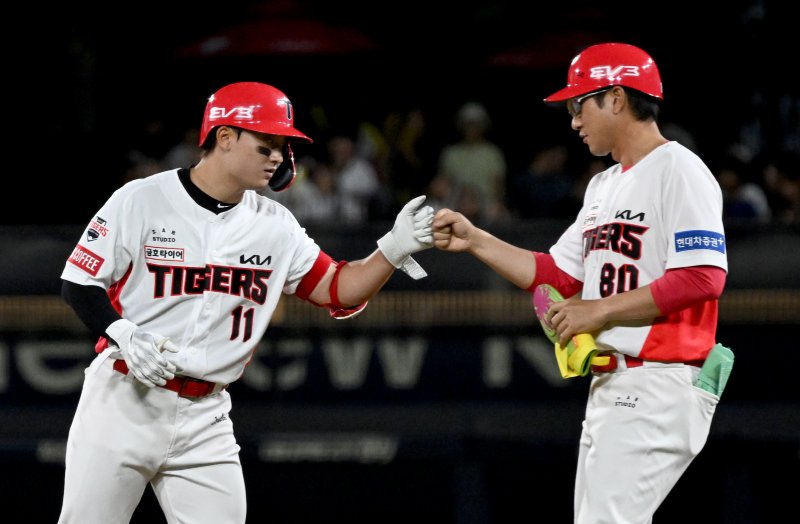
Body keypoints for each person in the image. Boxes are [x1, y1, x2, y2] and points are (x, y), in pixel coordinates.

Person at [57, 81, 434, 524]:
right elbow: (79, 282)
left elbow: (337, 288)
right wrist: (121, 331)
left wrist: (390, 249)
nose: (278, 157)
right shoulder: (141, 199)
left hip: (207, 415)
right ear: (225, 136)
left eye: (283, 146)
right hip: (123, 401)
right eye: (267, 143)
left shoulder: (276, 225)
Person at [432, 43, 729, 523]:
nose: (572, 119)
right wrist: (477, 240)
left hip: (657, 377)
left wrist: (599, 311)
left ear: (616, 97)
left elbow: (703, 276)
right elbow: (559, 275)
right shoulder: (603, 185)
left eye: (578, 104)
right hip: (614, 381)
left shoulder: (679, 168)